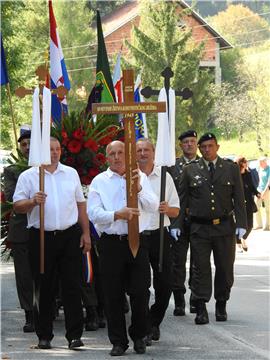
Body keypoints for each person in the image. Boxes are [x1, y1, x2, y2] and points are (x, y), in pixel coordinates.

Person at [13, 137, 91, 350]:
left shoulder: (71, 173)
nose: (55, 153)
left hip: (69, 236)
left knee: (72, 286)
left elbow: (81, 205)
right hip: (41, 237)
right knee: (44, 287)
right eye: (50, 149)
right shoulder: (29, 176)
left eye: (57, 149)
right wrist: (32, 201)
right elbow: (17, 205)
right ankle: (44, 335)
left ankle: (74, 335)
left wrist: (86, 233)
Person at [87, 140, 159, 356]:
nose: (117, 157)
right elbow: (93, 213)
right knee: (113, 295)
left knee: (140, 292)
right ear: (106, 157)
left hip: (138, 241)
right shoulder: (99, 181)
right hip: (112, 244)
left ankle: (139, 335)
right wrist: (117, 214)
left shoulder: (140, 176)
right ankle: (118, 341)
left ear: (127, 156)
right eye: (112, 153)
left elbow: (153, 206)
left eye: (120, 153)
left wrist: (138, 189)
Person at [180, 133, 247, 325]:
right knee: (200, 269)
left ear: (217, 146)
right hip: (199, 227)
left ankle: (221, 303)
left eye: (210, 146)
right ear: (199, 149)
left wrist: (242, 224)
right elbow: (183, 199)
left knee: (225, 268)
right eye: (203, 147)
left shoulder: (230, 168)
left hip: (224, 226)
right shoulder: (190, 170)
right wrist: (176, 225)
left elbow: (239, 199)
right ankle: (201, 307)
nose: (207, 150)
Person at [136, 138, 179, 344]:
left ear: (153, 152)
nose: (142, 153)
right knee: (140, 285)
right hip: (138, 236)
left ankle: (154, 321)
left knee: (165, 284)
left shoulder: (164, 177)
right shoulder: (129, 176)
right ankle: (144, 327)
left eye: (146, 150)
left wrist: (166, 209)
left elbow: (176, 210)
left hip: (160, 234)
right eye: (139, 150)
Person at [3, 125, 34, 333]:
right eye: (23, 144)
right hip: (22, 228)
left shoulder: (50, 166)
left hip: (48, 227)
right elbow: (13, 196)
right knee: (24, 274)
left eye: (31, 143)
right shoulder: (12, 170)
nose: (27, 147)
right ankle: (30, 314)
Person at [168, 129, 199, 316]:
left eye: (192, 141)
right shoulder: (174, 166)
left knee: (198, 263)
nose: (189, 144)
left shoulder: (202, 165)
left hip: (197, 221)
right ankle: (179, 299)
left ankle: (196, 298)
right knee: (177, 262)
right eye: (186, 142)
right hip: (178, 221)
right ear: (181, 145)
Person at [235, 156, 261, 252]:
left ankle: (244, 238)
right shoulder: (236, 175)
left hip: (249, 202)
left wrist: (257, 193)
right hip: (239, 203)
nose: (246, 163)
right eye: (244, 162)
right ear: (240, 163)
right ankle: (238, 243)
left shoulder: (248, 174)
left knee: (250, 225)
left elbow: (251, 186)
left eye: (246, 162)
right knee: (239, 224)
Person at [254, 157, 270, 231]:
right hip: (259, 190)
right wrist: (258, 191)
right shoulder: (260, 169)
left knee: (267, 209)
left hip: (267, 191)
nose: (259, 164)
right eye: (259, 162)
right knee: (256, 207)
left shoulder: (269, 169)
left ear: (265, 162)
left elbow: (268, 182)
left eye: (261, 162)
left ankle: (267, 226)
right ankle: (259, 224)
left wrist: (265, 191)